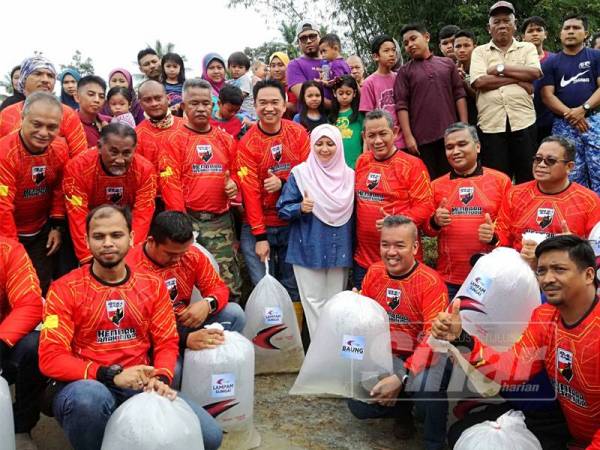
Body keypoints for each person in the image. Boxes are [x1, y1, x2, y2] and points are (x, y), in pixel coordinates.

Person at [38, 205, 222, 450]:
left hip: (139, 384)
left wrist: (161, 377)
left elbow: (166, 341)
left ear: (132, 238)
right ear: (87, 240)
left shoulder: (153, 286)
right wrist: (109, 375)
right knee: (89, 400)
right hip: (86, 384)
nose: (107, 243)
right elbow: (50, 358)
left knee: (210, 437)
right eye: (99, 236)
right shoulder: (64, 289)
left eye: (116, 235)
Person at [431, 234, 600, 449]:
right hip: (566, 429)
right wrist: (462, 338)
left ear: (588, 275)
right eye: (542, 270)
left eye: (559, 269)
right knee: (462, 435)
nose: (547, 279)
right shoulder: (544, 316)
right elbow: (514, 369)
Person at [349, 216, 450, 449]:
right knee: (358, 405)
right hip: (387, 355)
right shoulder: (374, 273)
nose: (391, 252)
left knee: (427, 390)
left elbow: (433, 340)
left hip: (426, 357)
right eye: (385, 244)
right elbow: (365, 322)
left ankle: (435, 441)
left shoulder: (431, 283)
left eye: (399, 245)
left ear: (415, 247)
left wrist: (402, 375)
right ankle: (403, 412)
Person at [126, 211, 246, 387]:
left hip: (185, 320)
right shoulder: (131, 267)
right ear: (151, 241)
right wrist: (186, 338)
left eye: (183, 252)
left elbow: (218, 287)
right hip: (154, 335)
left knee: (235, 313)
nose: (177, 259)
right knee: (174, 373)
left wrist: (208, 304)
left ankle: (211, 368)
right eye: (170, 254)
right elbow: (136, 324)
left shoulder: (191, 255)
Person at [158, 78, 243, 302]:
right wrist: (182, 224)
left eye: (206, 103)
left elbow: (238, 172)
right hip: (189, 221)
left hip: (220, 222)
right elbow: (170, 183)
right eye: (194, 103)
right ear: (183, 106)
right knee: (187, 285)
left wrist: (235, 183)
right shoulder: (172, 140)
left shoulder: (225, 139)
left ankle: (233, 330)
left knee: (228, 283)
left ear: (212, 105)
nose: (201, 108)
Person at [276, 124, 354, 338]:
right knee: (312, 301)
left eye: (330, 144)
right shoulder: (300, 174)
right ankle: (322, 349)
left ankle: (334, 348)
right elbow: (282, 209)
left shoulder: (350, 177)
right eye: (319, 144)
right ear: (312, 145)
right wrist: (299, 208)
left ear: (339, 146)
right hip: (308, 245)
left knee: (336, 301)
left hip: (340, 246)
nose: (325, 149)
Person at [236, 79, 310, 301]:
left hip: (292, 221)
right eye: (263, 103)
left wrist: (283, 181)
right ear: (255, 105)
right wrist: (260, 236)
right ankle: (268, 335)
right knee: (265, 288)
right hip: (259, 225)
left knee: (292, 285)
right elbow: (249, 192)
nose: (269, 108)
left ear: (286, 102)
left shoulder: (297, 133)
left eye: (275, 102)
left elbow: (308, 174)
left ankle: (294, 334)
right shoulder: (247, 143)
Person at [423, 123, 511, 298]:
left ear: (477, 146)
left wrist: (494, 236)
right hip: (449, 279)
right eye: (449, 147)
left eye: (462, 144)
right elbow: (427, 230)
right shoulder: (436, 185)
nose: (455, 151)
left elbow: (511, 230)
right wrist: (435, 221)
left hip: (489, 278)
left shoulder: (501, 181)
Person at [353, 109, 434, 288]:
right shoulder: (362, 161)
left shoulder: (413, 165)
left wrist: (397, 222)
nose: (378, 141)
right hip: (364, 261)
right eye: (371, 135)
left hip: (401, 263)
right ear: (364, 136)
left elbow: (426, 206)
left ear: (395, 132)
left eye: (383, 134)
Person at [0, 92, 69, 295]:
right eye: (36, 124)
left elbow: (59, 189)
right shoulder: (4, 153)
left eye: (52, 127)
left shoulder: (60, 149)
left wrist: (57, 226)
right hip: (6, 233)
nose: (43, 133)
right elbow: (3, 208)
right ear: (23, 118)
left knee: (40, 285)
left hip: (41, 232)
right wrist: (13, 252)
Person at [493, 136, 600, 266]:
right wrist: (492, 238)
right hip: (519, 274)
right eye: (538, 159)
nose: (541, 165)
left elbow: (595, 252)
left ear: (569, 167)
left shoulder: (589, 200)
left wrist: (572, 247)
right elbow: (502, 238)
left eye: (550, 160)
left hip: (565, 276)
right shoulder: (514, 194)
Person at [63, 123, 156, 263]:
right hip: (89, 227)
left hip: (125, 228)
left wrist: (129, 256)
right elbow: (77, 214)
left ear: (135, 150)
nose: (119, 160)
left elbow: (142, 215)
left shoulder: (145, 170)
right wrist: (88, 259)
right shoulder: (77, 167)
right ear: (99, 147)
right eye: (113, 152)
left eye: (126, 153)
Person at [470, 1, 542, 183]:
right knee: (497, 178)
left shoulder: (527, 48)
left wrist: (499, 68)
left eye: (506, 21)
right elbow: (479, 81)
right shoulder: (480, 52)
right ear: (489, 28)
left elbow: (535, 73)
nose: (502, 25)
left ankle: (525, 211)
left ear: (515, 25)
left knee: (528, 174)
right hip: (491, 124)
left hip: (524, 121)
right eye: (497, 22)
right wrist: (519, 78)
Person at [395, 23, 468, 179]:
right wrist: (408, 137)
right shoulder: (404, 72)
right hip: (421, 140)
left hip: (451, 135)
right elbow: (402, 105)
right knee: (430, 182)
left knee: (455, 179)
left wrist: (464, 126)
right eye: (406, 43)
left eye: (413, 39)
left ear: (426, 37)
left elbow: (459, 95)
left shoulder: (447, 64)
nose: (410, 45)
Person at [541, 14, 600, 193]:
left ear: (586, 33)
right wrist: (571, 114)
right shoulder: (551, 62)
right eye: (567, 28)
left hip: (594, 122)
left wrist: (583, 109)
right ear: (560, 33)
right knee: (571, 174)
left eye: (576, 28)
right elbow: (547, 95)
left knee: (598, 171)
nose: (571, 32)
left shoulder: (596, 56)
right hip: (563, 125)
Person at [0, 237, 45, 450]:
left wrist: (1, 341)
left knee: (35, 347)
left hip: (4, 342)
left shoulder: (8, 250)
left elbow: (30, 303)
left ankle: (21, 428)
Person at [0, 56, 87, 158]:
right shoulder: (7, 114)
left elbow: (80, 158)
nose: (46, 80)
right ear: (24, 78)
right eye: (38, 74)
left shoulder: (67, 114)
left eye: (50, 76)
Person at [359, 34, 405, 149]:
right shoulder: (369, 83)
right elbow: (368, 117)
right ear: (375, 56)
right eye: (386, 51)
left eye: (393, 50)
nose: (391, 54)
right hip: (382, 143)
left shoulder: (400, 77)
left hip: (403, 140)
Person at [135, 80, 183, 173]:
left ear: (168, 99)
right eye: (148, 100)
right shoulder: (136, 136)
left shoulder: (186, 127)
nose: (154, 104)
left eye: (158, 98)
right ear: (140, 104)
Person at [522, 16, 555, 145]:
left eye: (538, 30)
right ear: (523, 36)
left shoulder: (554, 59)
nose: (535, 33)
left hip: (549, 121)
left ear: (545, 34)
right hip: (524, 120)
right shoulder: (516, 62)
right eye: (530, 31)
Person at [287, 19, 327, 105]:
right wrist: (338, 105)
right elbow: (306, 97)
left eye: (312, 36)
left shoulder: (331, 60)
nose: (308, 41)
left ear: (320, 37)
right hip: (310, 117)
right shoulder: (294, 65)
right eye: (303, 38)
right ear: (298, 42)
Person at [329, 75, 363, 169]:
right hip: (336, 164)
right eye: (341, 93)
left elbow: (366, 139)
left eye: (348, 93)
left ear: (354, 93)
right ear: (334, 93)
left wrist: (364, 158)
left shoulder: (359, 114)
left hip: (356, 162)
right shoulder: (331, 117)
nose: (344, 97)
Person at [75, 75, 109, 148]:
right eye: (91, 94)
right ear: (77, 97)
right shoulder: (71, 125)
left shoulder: (110, 122)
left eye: (101, 96)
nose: (97, 100)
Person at [453, 30, 479, 126]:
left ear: (475, 47)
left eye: (466, 45)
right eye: (458, 46)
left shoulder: (482, 68)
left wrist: (464, 83)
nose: (462, 50)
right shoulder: (449, 70)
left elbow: (482, 98)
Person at [318, 33, 351, 99]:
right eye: (321, 52)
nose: (322, 55)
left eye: (324, 51)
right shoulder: (344, 63)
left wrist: (325, 83)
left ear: (335, 48)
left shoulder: (335, 64)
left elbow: (339, 83)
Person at [227, 51, 256, 122]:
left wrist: (229, 98)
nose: (236, 69)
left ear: (246, 70)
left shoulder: (244, 78)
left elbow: (243, 93)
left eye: (240, 67)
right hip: (240, 110)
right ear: (229, 68)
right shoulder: (233, 81)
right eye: (234, 66)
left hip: (247, 112)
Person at [268, 52, 297, 117]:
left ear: (287, 66)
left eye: (280, 65)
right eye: (273, 66)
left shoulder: (293, 85)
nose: (276, 69)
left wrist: (276, 103)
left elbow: (296, 108)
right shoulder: (267, 87)